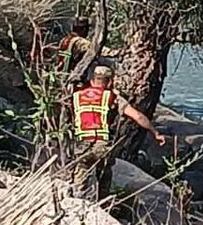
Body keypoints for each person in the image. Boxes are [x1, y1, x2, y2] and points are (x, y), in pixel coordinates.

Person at [71, 65, 166, 199]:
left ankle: (76, 201)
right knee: (104, 175)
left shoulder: (77, 96)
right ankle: (103, 203)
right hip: (101, 144)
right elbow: (137, 116)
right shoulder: (111, 97)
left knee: (80, 176)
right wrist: (155, 132)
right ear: (110, 82)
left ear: (92, 80)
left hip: (81, 144)